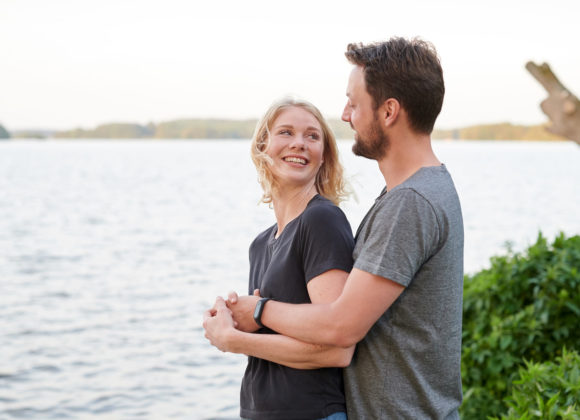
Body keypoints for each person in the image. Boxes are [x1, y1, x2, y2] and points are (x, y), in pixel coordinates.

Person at [206, 37, 464, 419]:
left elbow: (341, 330)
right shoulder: (407, 196)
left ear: (389, 111)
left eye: (354, 103)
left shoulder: (411, 202)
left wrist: (254, 315)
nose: (345, 116)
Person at [203, 97, 355, 420]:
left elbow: (337, 348)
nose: (299, 143)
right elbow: (270, 329)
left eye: (312, 136)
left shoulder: (322, 221)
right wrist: (231, 319)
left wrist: (237, 340)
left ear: (323, 154)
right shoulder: (259, 244)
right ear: (263, 147)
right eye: (286, 132)